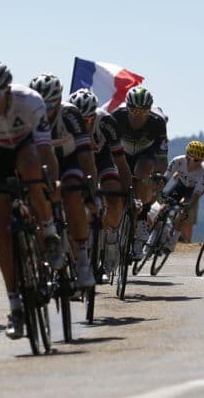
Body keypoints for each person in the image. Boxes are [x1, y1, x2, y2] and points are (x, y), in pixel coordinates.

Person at [0, 60, 60, 339]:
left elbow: (46, 151)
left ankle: (49, 231)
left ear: (6, 90)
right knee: (2, 230)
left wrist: (51, 180)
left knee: (32, 167)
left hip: (26, 147)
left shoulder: (30, 101)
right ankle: (15, 305)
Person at [30, 73, 100, 287]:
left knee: (72, 195)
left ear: (59, 101)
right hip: (42, 163)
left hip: (70, 161)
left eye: (50, 105)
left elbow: (86, 156)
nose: (46, 110)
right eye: (41, 105)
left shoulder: (70, 114)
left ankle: (82, 261)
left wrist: (90, 189)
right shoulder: (27, 114)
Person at [68, 88, 131, 274]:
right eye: (81, 120)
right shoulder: (66, 120)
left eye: (88, 120)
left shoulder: (106, 122)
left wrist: (126, 190)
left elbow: (120, 160)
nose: (85, 124)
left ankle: (112, 238)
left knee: (113, 193)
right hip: (76, 159)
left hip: (102, 159)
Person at [111, 87, 169, 258]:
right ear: (127, 108)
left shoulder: (157, 122)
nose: (137, 115)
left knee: (143, 175)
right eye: (133, 110)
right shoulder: (117, 116)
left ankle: (142, 220)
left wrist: (158, 176)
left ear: (149, 110)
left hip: (146, 153)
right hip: (122, 152)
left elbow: (162, 157)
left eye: (143, 111)